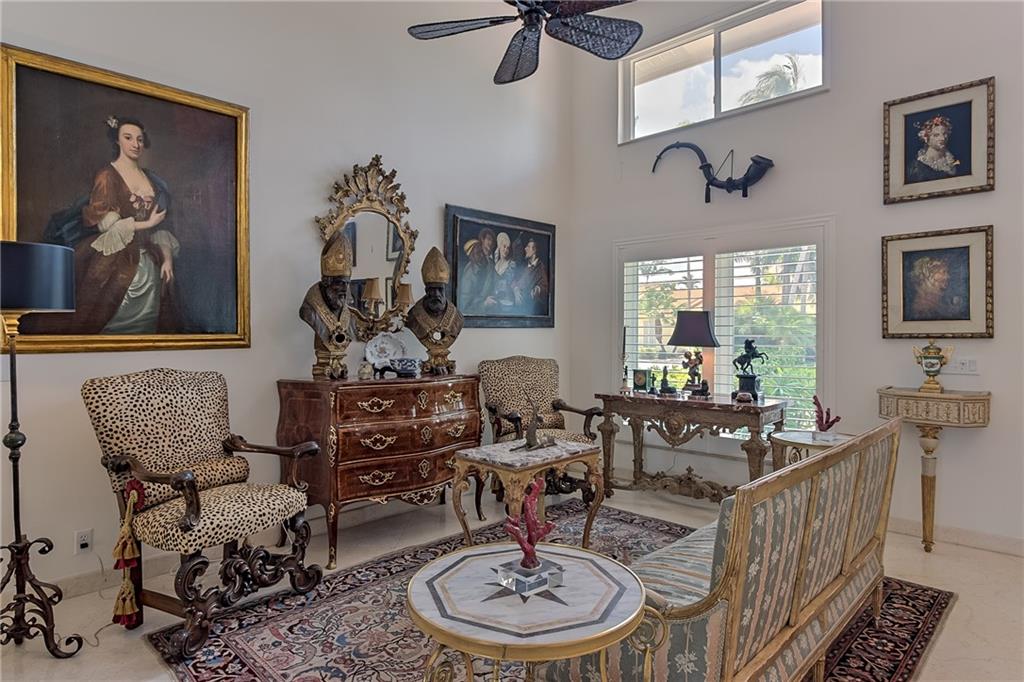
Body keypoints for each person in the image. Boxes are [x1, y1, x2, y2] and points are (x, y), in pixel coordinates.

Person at [26, 115, 180, 335]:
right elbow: (108, 225)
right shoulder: (107, 176)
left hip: (149, 259)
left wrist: (167, 259)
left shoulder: (153, 180)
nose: (135, 144)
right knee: (99, 311)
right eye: (128, 138)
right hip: (114, 257)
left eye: (139, 139)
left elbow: (162, 227)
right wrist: (147, 223)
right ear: (117, 140)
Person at [300, 232, 353, 380]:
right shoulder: (309, 308)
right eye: (339, 283)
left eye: (347, 283)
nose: (344, 289)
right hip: (322, 366)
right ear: (326, 283)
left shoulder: (346, 310)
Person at [407, 247, 464, 375]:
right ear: (426, 291)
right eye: (432, 289)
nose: (436, 294)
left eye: (440, 289)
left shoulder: (457, 318)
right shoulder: (413, 316)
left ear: (445, 290)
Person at [906, 256, 965, 321]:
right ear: (929, 274)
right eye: (944, 272)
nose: (948, 276)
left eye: (947, 272)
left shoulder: (940, 301)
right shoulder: (923, 306)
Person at [907, 115, 961, 183]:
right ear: (926, 138)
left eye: (944, 134)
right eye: (936, 135)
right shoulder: (917, 167)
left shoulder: (951, 160)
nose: (943, 138)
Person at [457, 227, 496, 314]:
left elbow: (493, 284)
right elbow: (465, 304)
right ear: (482, 240)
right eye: (488, 239)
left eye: (493, 241)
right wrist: (484, 304)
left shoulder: (490, 264)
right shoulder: (471, 268)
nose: (491, 243)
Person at [513, 237, 549, 315]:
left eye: (528, 247)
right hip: (519, 310)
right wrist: (516, 289)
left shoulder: (541, 267)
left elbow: (545, 287)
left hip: (531, 310)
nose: (525, 249)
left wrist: (537, 289)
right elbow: (515, 280)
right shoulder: (524, 266)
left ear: (534, 250)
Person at [484, 231, 517, 313]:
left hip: (506, 301)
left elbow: (509, 283)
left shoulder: (511, 264)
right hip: (495, 300)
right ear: (499, 246)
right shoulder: (495, 263)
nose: (506, 250)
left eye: (508, 248)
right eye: (504, 246)